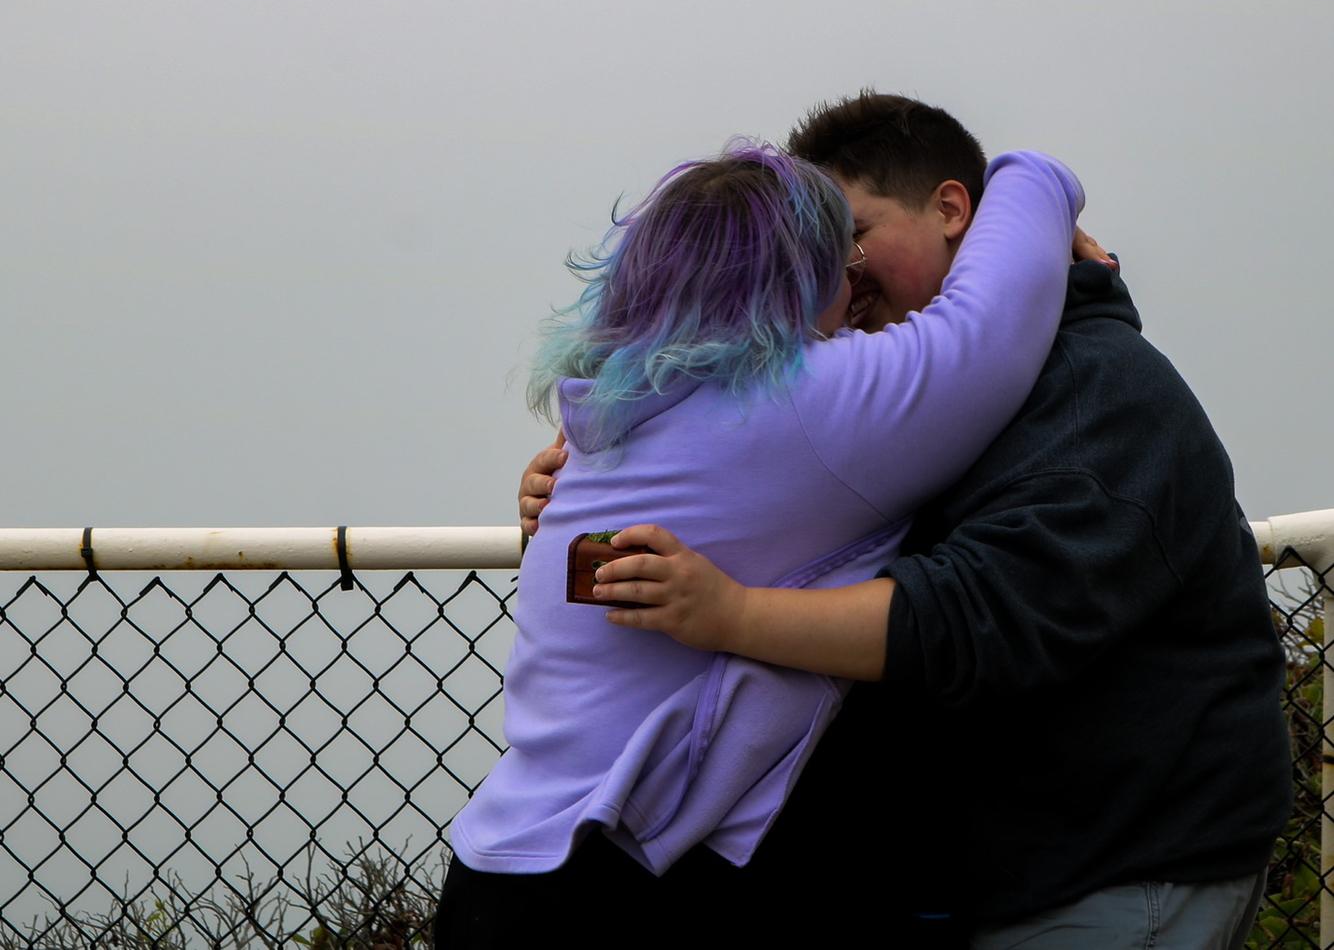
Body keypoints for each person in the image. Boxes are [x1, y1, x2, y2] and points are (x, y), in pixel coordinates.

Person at [562, 93, 1292, 949]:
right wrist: (581, 476)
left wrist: (735, 615)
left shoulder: (1095, 390)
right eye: (822, 252)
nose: (842, 271)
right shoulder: (904, 414)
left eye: (857, 233)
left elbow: (975, 615)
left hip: (1116, 870)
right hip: (1005, 877)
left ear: (953, 211)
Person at [440, 137, 1085, 946]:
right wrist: (1035, 179)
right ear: (796, 274)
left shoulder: (609, 416)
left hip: (500, 870)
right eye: (839, 253)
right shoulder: (800, 409)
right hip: (626, 885)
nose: (853, 277)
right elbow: (994, 326)